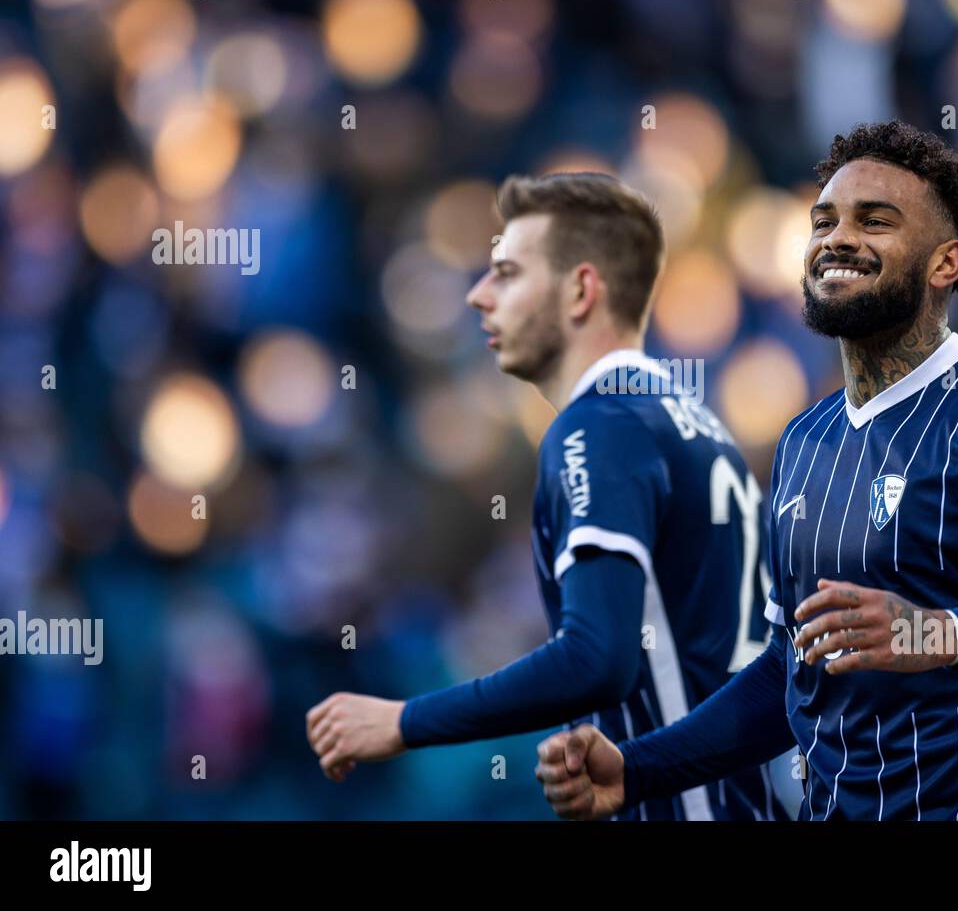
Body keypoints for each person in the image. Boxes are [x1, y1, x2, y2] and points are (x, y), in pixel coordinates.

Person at [535, 122, 958, 821]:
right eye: (823, 220)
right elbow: (788, 672)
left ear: (945, 263)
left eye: (876, 221)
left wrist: (937, 635)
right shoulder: (804, 440)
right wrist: (639, 767)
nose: (836, 238)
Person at [307, 172, 784, 820]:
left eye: (507, 273)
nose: (478, 295)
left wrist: (404, 721)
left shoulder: (599, 426)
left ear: (581, 290)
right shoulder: (699, 424)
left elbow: (596, 658)